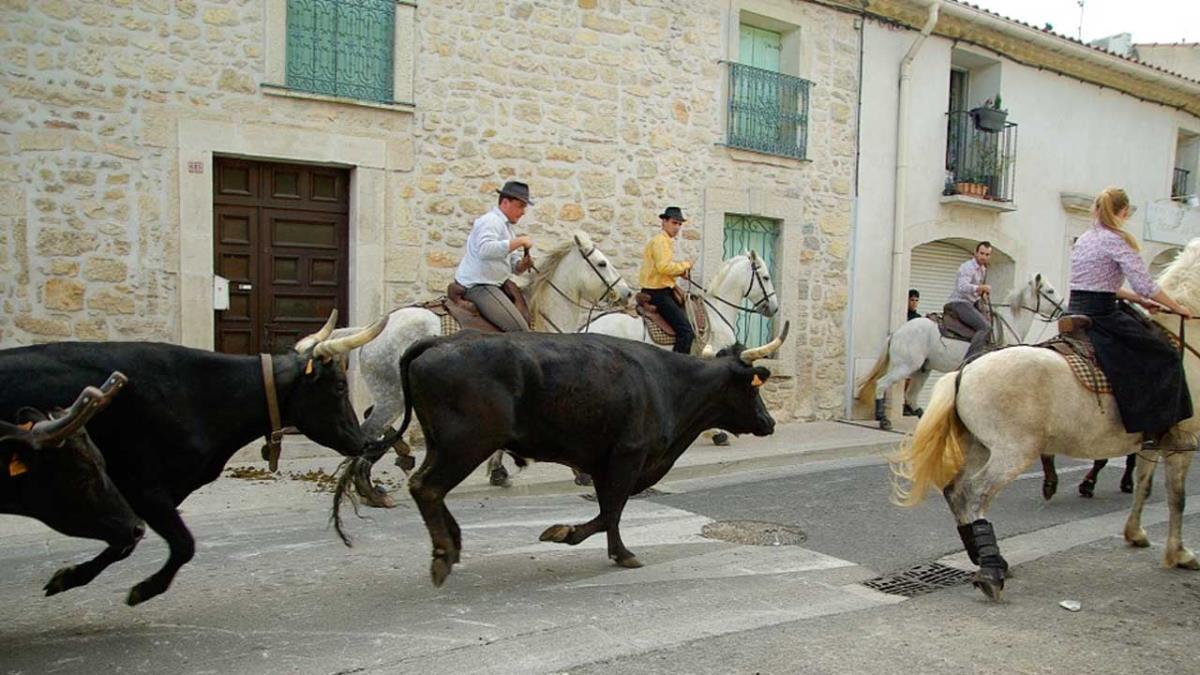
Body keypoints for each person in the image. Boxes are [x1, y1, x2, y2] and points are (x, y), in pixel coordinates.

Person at [1068, 186, 1192, 443]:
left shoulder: (1085, 238)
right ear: (1123, 212)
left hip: (1076, 308)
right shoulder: (1117, 240)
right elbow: (1146, 285)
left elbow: (1105, 285)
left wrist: (1141, 302)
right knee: (1165, 353)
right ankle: (1154, 427)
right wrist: (1177, 307)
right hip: (1103, 314)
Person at [454, 181, 536, 332]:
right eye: (520, 206)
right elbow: (485, 250)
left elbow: (514, 268)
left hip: (494, 284)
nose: (523, 212)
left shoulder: (507, 228)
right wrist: (519, 241)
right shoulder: (491, 221)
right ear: (505, 203)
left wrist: (522, 264)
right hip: (479, 286)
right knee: (520, 331)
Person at [639, 206, 695, 354]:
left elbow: (660, 270)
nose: (677, 227)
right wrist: (686, 265)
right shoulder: (661, 242)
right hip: (658, 293)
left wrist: (679, 272)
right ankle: (677, 367)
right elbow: (663, 267)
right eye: (674, 222)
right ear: (664, 222)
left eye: (679, 224)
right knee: (686, 332)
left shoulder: (664, 241)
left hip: (659, 290)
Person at [946, 241, 993, 360]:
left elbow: (976, 290)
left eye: (987, 255)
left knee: (993, 322)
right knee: (985, 327)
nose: (984, 257)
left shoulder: (983, 269)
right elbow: (962, 287)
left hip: (972, 302)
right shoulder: (967, 267)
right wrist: (980, 288)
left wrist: (982, 294)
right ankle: (969, 360)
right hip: (959, 302)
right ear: (975, 252)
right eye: (982, 253)